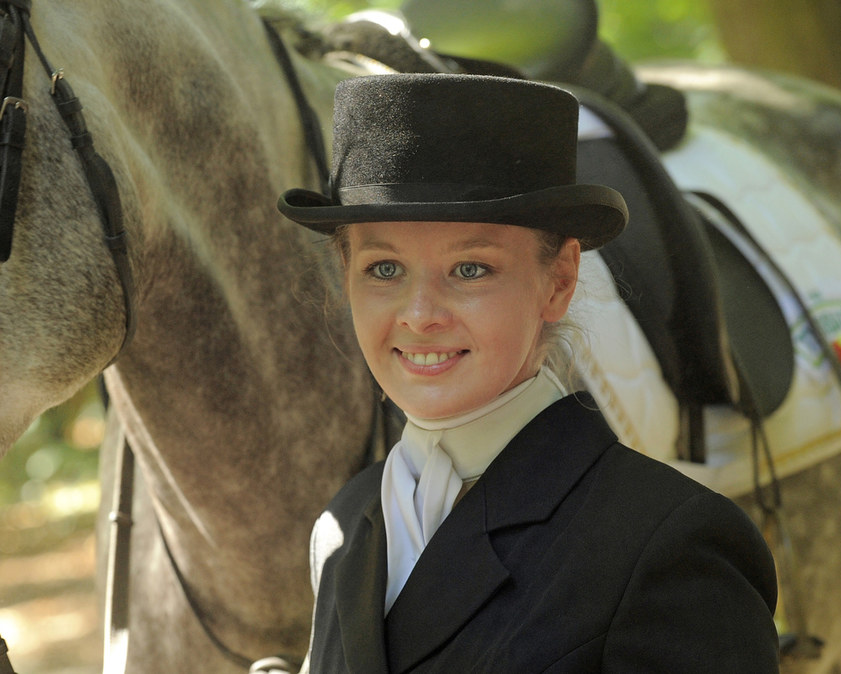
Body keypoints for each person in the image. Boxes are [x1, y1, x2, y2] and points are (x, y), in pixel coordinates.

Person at [276, 74, 778, 673]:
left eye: (470, 269)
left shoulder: (669, 544)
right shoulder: (345, 523)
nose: (419, 316)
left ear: (559, 280)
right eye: (384, 269)